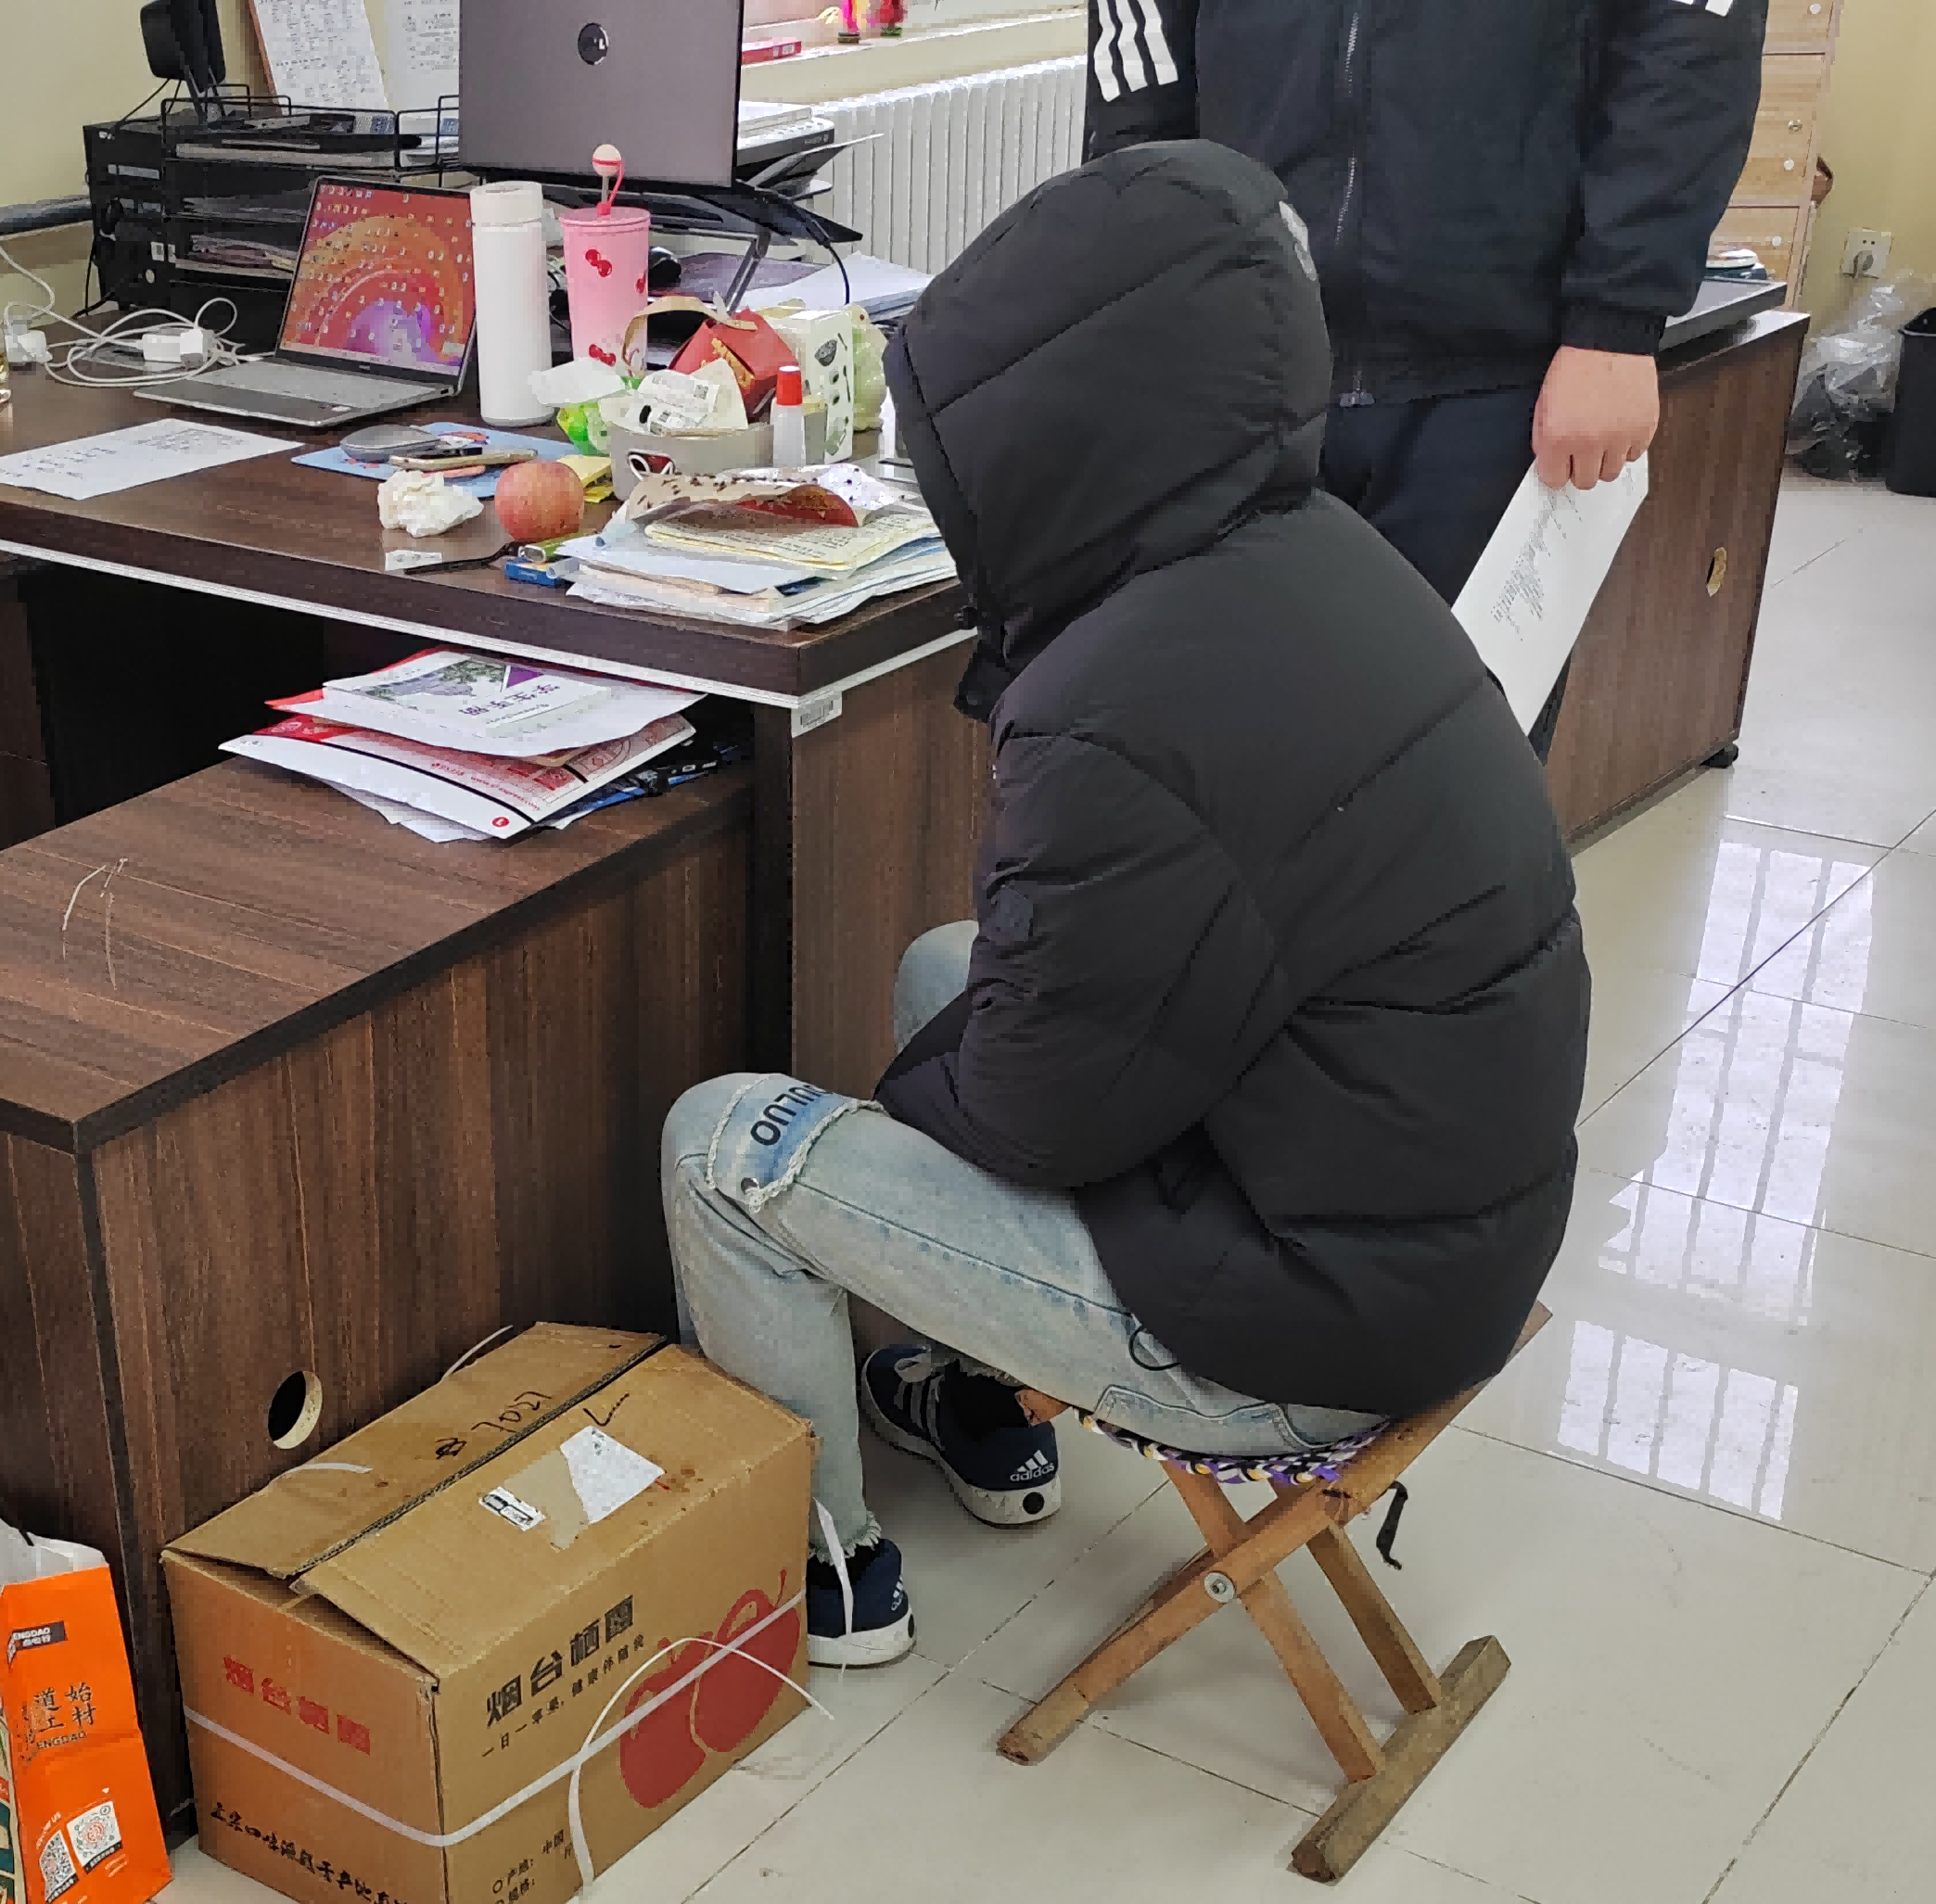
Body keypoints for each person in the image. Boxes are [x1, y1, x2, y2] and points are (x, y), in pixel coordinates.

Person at [661, 144, 1586, 1664]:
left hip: (1311, 1333)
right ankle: (976, 1404)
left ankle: (824, 1580)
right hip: (1441, 1238)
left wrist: (906, 1108)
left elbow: (1040, 1114)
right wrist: (946, 1078)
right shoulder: (1310, 549)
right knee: (947, 967)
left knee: (724, 1143)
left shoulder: (1118, 698)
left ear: (1026, 438)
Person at [1079, 0, 1765, 597]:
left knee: (1467, 707)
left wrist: (1618, 316)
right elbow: (1139, 65)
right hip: (1241, 368)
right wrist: (1148, 305)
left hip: (1499, 381)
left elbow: (1692, 40)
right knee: (1222, 702)